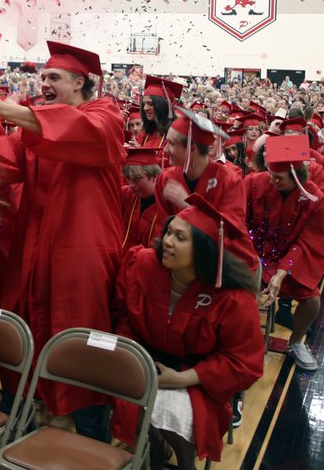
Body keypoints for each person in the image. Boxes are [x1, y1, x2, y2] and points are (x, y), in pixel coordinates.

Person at [0, 40, 124, 441]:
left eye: (54, 77)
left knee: (81, 346)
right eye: (43, 76)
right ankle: (30, 433)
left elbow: (79, 130)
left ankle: (91, 439)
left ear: (80, 82)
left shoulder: (104, 116)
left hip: (81, 255)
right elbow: (1, 161)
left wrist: (5, 109)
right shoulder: (37, 126)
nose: (45, 83)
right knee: (32, 337)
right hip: (36, 252)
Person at [111, 194, 264, 468]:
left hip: (198, 377)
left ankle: (185, 463)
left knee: (175, 413)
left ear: (203, 251)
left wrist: (180, 379)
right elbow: (123, 314)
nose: (167, 241)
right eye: (168, 232)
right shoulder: (143, 265)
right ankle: (157, 450)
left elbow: (242, 361)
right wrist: (133, 358)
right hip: (146, 361)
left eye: (180, 238)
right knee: (121, 399)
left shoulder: (231, 297)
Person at [245, 135, 324, 371]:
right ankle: (241, 341)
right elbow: (239, 224)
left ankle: (295, 343)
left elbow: (308, 242)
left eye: (279, 178)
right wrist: (253, 260)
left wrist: (282, 272)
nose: (272, 180)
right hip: (254, 253)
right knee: (238, 288)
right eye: (270, 173)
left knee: (312, 300)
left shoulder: (313, 198)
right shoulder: (254, 183)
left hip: (290, 260)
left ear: (296, 176)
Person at [121, 147, 163, 251]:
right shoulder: (126, 195)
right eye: (128, 178)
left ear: (155, 176)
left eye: (136, 179)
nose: (130, 185)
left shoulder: (168, 206)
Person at [138, 75, 181, 149]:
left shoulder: (176, 133)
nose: (145, 108)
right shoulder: (147, 132)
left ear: (162, 106)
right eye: (144, 104)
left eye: (150, 104)